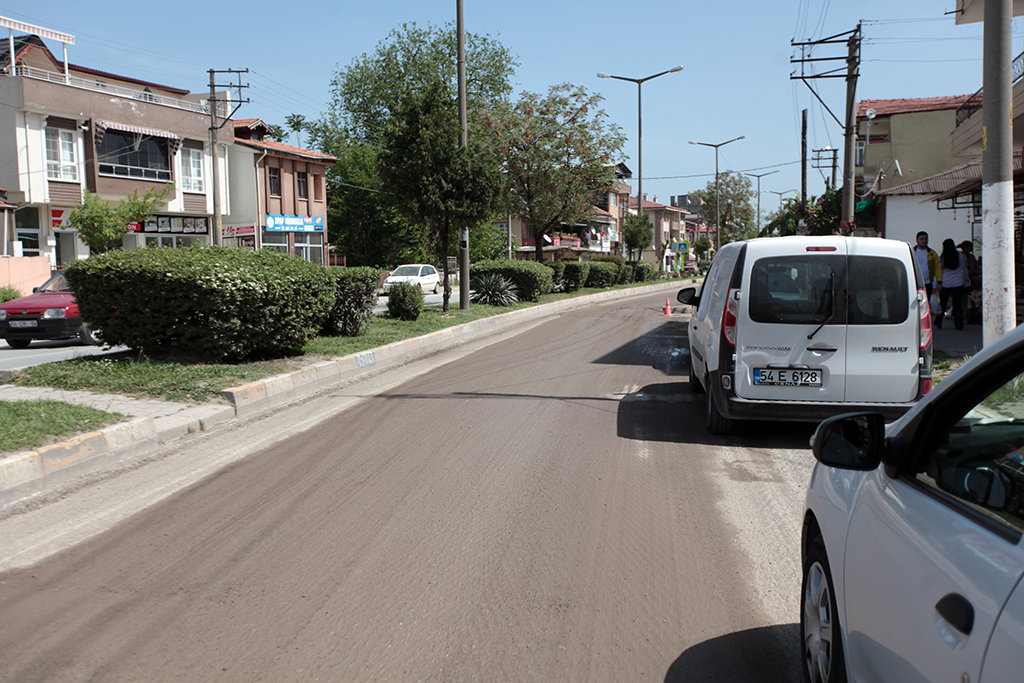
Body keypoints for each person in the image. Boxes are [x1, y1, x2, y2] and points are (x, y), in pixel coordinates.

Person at [936, 238, 970, 330]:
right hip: (958, 283)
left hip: (946, 283)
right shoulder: (961, 256)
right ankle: (959, 325)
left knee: (942, 304)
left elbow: (940, 271)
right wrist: (967, 280)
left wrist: (938, 283)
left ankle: (938, 322)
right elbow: (964, 269)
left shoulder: (942, 258)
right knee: (957, 305)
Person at [913, 231, 941, 300]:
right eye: (922, 239)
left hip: (928, 282)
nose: (924, 241)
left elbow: (938, 268)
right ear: (917, 240)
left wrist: (939, 281)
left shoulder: (932, 253)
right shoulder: (912, 252)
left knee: (927, 301)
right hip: (915, 282)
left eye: (926, 239)